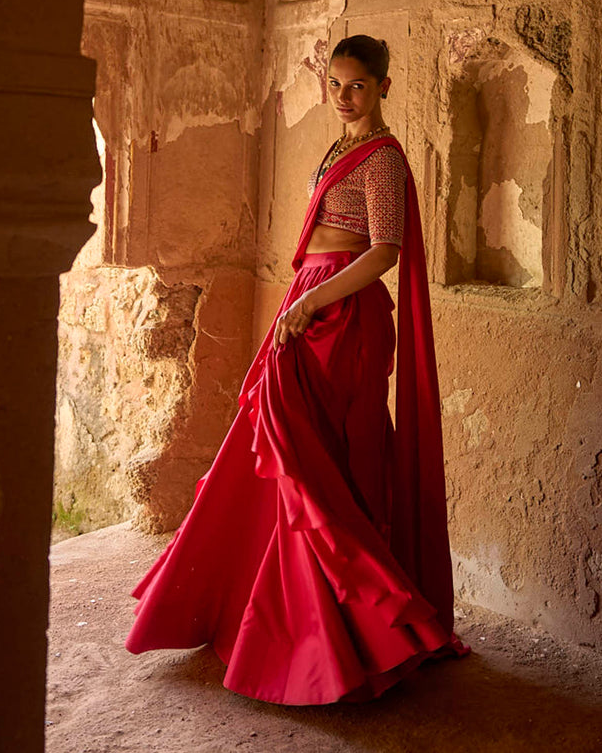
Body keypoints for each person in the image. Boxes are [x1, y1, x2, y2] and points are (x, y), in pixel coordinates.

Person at [125, 34, 469, 705]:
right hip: (309, 304)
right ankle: (291, 625)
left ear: (384, 88)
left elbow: (384, 252)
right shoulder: (337, 149)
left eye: (359, 86)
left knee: (322, 461)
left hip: (343, 315)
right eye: (335, 85)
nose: (345, 97)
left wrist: (311, 299)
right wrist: (302, 298)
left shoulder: (383, 161)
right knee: (294, 456)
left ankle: (354, 634)